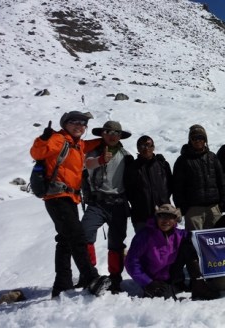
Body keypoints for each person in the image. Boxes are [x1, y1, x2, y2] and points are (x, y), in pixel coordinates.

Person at [30, 111, 111, 298]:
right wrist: (43, 138)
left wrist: (105, 138)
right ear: (65, 124)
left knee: (66, 240)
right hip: (57, 197)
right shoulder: (58, 139)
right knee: (76, 236)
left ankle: (62, 284)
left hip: (69, 198)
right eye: (74, 122)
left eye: (83, 124)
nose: (79, 126)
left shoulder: (77, 144)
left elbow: (89, 144)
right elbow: (37, 152)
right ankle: (91, 278)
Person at [124, 204, 219, 300]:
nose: (165, 221)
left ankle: (198, 285)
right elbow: (131, 262)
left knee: (188, 245)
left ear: (175, 220)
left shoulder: (178, 234)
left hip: (170, 275)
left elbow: (198, 238)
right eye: (161, 216)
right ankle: (160, 289)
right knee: (165, 298)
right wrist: (147, 282)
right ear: (156, 218)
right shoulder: (144, 236)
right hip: (152, 280)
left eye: (170, 217)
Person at [80, 121, 132, 293]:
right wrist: (100, 160)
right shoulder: (92, 152)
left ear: (120, 136)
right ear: (102, 134)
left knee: (116, 243)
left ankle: (115, 278)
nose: (112, 135)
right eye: (108, 132)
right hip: (97, 202)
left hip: (118, 204)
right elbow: (88, 165)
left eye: (116, 133)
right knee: (85, 234)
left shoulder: (126, 156)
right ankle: (89, 275)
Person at [172, 125, 225, 232]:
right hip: (193, 210)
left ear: (205, 140)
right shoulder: (183, 160)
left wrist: (222, 203)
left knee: (216, 241)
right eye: (194, 138)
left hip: (214, 207)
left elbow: (221, 181)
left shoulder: (212, 157)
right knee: (195, 243)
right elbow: (177, 187)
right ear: (190, 140)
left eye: (201, 138)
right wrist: (184, 208)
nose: (198, 141)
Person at [124, 135, 173, 232]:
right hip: (141, 216)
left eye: (148, 145)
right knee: (144, 245)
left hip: (164, 214)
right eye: (142, 146)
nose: (146, 148)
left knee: (165, 244)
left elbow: (170, 186)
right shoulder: (132, 168)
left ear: (153, 147)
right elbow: (128, 191)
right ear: (138, 148)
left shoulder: (162, 165)